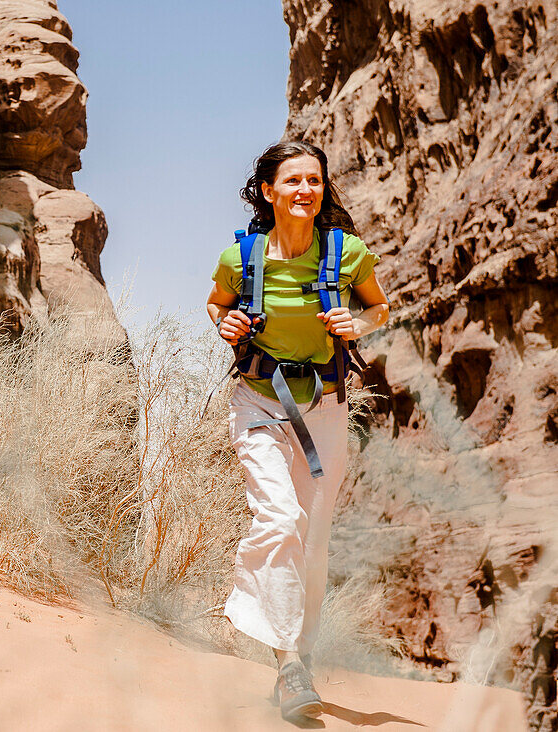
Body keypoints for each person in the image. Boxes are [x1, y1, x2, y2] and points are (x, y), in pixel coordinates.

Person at [205, 141, 390, 723]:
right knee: (280, 517)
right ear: (269, 192)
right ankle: (286, 663)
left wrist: (353, 321)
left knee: (313, 539)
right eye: (293, 181)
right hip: (260, 402)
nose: (306, 190)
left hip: (325, 410)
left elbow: (378, 310)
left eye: (315, 180)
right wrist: (228, 321)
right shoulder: (243, 258)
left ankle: (297, 658)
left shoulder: (347, 253)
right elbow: (216, 305)